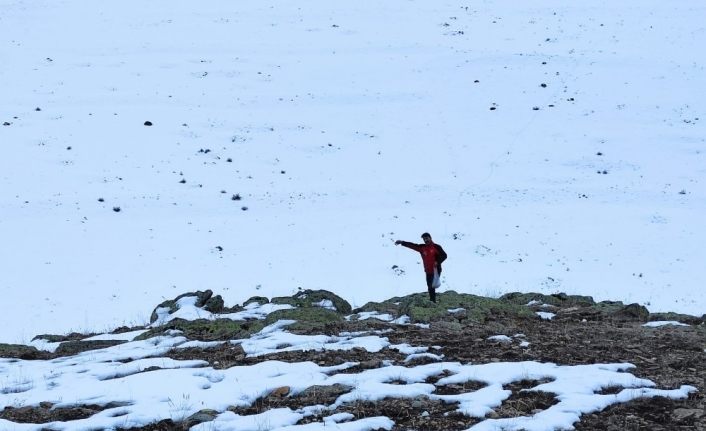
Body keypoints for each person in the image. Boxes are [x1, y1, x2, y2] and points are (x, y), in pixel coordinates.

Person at [395, 232, 447, 302]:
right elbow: (412, 245)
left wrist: (437, 262)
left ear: (430, 238)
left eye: (427, 238)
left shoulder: (436, 247)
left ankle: (432, 301)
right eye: (424, 239)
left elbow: (444, 255)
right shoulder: (422, 247)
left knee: (432, 286)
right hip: (428, 271)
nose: (426, 240)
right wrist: (402, 242)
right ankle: (432, 301)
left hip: (436, 270)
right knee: (430, 286)